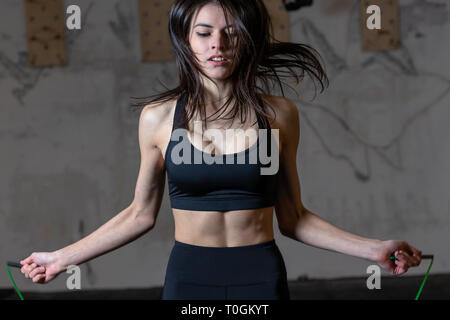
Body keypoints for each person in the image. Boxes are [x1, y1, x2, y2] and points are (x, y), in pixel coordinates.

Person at [20, 0, 422, 300]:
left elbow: (293, 218)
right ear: (185, 38)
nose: (219, 44)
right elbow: (139, 215)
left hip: (259, 277)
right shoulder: (159, 119)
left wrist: (374, 248)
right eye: (204, 32)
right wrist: (61, 258)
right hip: (189, 278)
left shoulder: (278, 115)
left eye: (231, 32)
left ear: (246, 40)